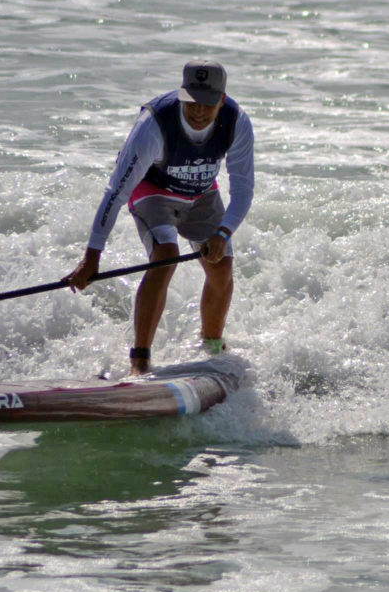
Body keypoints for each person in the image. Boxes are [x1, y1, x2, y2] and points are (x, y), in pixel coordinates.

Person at [65, 60, 255, 375]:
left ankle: (213, 350)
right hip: (152, 191)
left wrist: (222, 235)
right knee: (165, 256)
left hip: (202, 193)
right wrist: (92, 256)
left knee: (221, 266)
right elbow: (116, 191)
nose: (197, 111)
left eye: (207, 104)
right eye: (191, 101)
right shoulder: (154, 125)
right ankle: (140, 363)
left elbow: (244, 189)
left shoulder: (237, 123)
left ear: (221, 100)